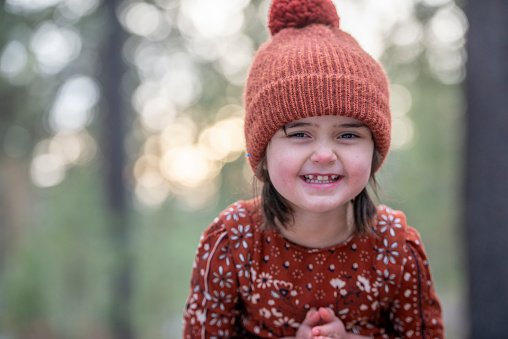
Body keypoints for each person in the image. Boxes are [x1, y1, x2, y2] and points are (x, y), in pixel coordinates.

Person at [183, 0, 444, 337]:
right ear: (262, 150)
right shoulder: (232, 243)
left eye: (348, 134)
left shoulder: (397, 248)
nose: (324, 154)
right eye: (300, 134)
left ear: (374, 150)